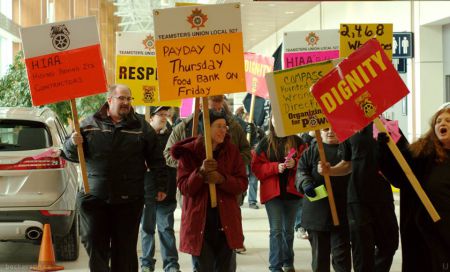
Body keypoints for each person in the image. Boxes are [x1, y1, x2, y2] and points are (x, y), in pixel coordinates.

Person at [63, 84, 167, 272]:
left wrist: (161, 186)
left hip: (129, 200)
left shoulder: (141, 128)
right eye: (122, 98)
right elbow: (69, 154)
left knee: (125, 250)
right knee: (95, 244)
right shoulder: (88, 124)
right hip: (94, 198)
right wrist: (72, 143)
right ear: (109, 100)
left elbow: (156, 159)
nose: (126, 102)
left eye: (129, 99)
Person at [170, 109, 248, 272]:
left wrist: (222, 179)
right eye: (218, 126)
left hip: (226, 221)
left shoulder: (231, 151)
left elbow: (242, 183)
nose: (223, 130)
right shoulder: (189, 152)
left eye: (225, 126)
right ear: (206, 128)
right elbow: (185, 188)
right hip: (200, 223)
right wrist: (200, 172)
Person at [378, 104, 450, 272]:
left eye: (448, 120)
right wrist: (384, 150)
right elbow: (398, 178)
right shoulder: (421, 152)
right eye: (438, 121)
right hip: (424, 231)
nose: (442, 123)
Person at [319, 123, 399, 272]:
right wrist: (330, 170)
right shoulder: (348, 128)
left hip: (383, 196)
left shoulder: (389, 126)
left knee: (390, 244)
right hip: (357, 198)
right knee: (362, 252)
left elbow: (402, 157)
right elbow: (347, 164)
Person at [251, 116, 307, 272]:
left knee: (288, 232)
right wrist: (275, 167)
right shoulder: (264, 143)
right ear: (271, 121)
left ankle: (288, 262)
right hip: (273, 194)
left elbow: (306, 162)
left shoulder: (298, 141)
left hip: (293, 193)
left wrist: (295, 163)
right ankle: (275, 266)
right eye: (276, 118)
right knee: (276, 231)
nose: (279, 121)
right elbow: (257, 169)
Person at [297, 127, 351, 272]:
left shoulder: (348, 149)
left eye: (334, 128)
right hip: (317, 214)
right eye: (326, 129)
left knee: (342, 258)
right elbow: (301, 170)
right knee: (320, 259)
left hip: (342, 211)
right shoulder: (312, 151)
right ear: (319, 131)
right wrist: (306, 183)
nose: (330, 132)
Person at [140, 106, 180, 272]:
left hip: (167, 192)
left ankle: (171, 264)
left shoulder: (171, 138)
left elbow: (174, 163)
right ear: (150, 118)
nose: (163, 117)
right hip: (146, 192)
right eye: (159, 115)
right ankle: (147, 263)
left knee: (165, 228)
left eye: (165, 114)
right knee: (147, 229)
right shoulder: (140, 139)